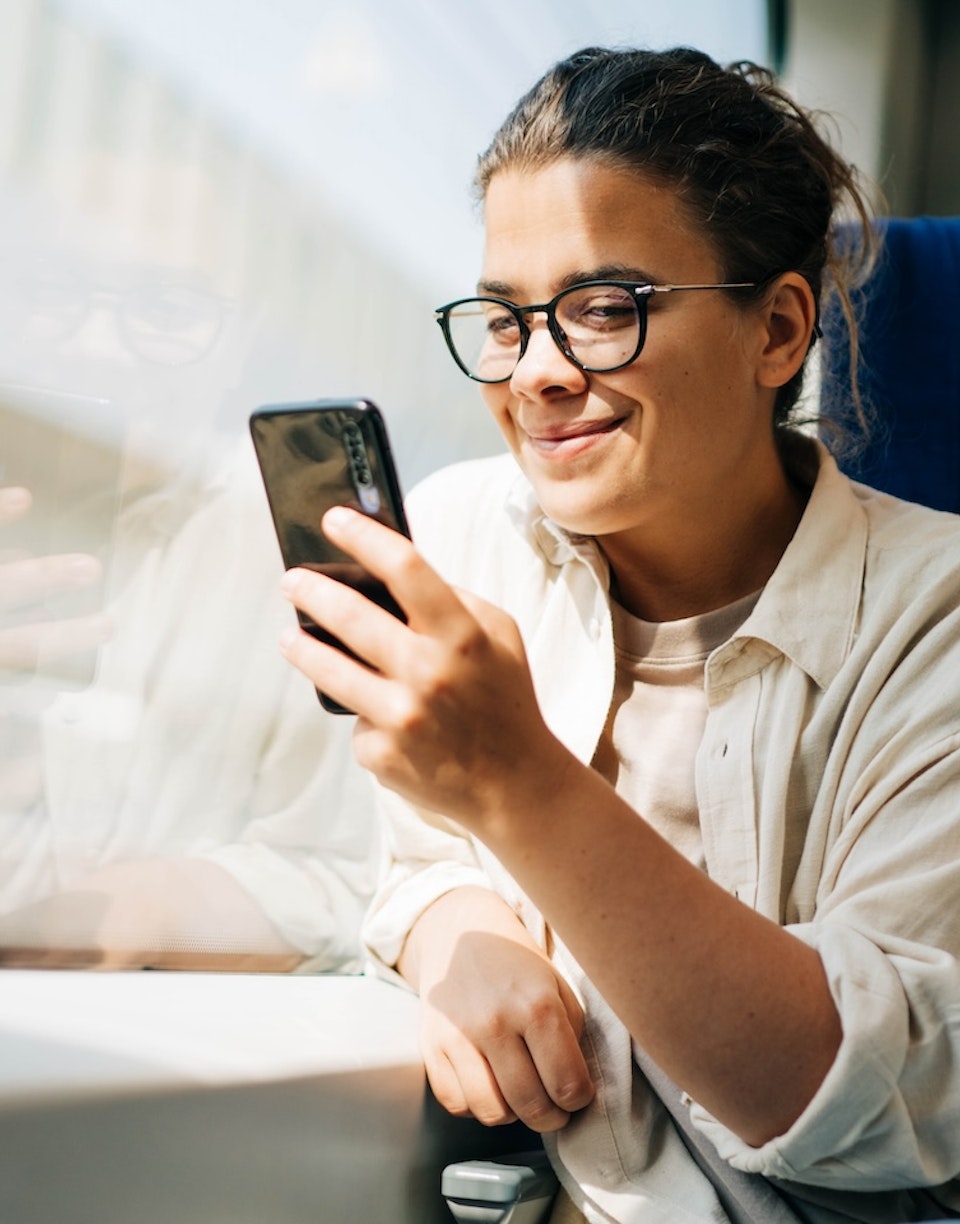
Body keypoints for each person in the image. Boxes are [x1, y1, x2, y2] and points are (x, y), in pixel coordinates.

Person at [277, 45, 960, 1222]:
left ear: (779, 332)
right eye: (503, 319)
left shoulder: (934, 619)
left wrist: (520, 783)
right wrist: (454, 931)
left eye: (604, 310)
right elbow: (400, 861)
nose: (536, 373)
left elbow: (859, 1091)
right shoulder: (456, 536)